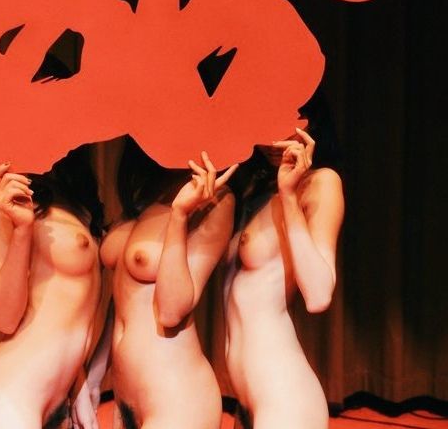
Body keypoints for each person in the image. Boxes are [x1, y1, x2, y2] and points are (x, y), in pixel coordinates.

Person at [75, 137, 236, 429]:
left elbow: (171, 311)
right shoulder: (142, 198)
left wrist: (179, 216)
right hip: (125, 398)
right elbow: (123, 299)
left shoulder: (214, 199)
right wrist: (95, 377)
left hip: (176, 397)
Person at [224, 95, 345, 429]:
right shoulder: (255, 189)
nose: (274, 140)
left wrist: (290, 197)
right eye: (265, 123)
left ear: (310, 123)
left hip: (284, 398)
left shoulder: (321, 183)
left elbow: (319, 296)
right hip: (246, 400)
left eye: (287, 122)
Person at [0, 145, 104, 429]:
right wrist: (22, 230)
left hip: (60, 398)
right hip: (12, 396)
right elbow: (4, 318)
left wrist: (78, 380)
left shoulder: (73, 191)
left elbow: (64, 306)